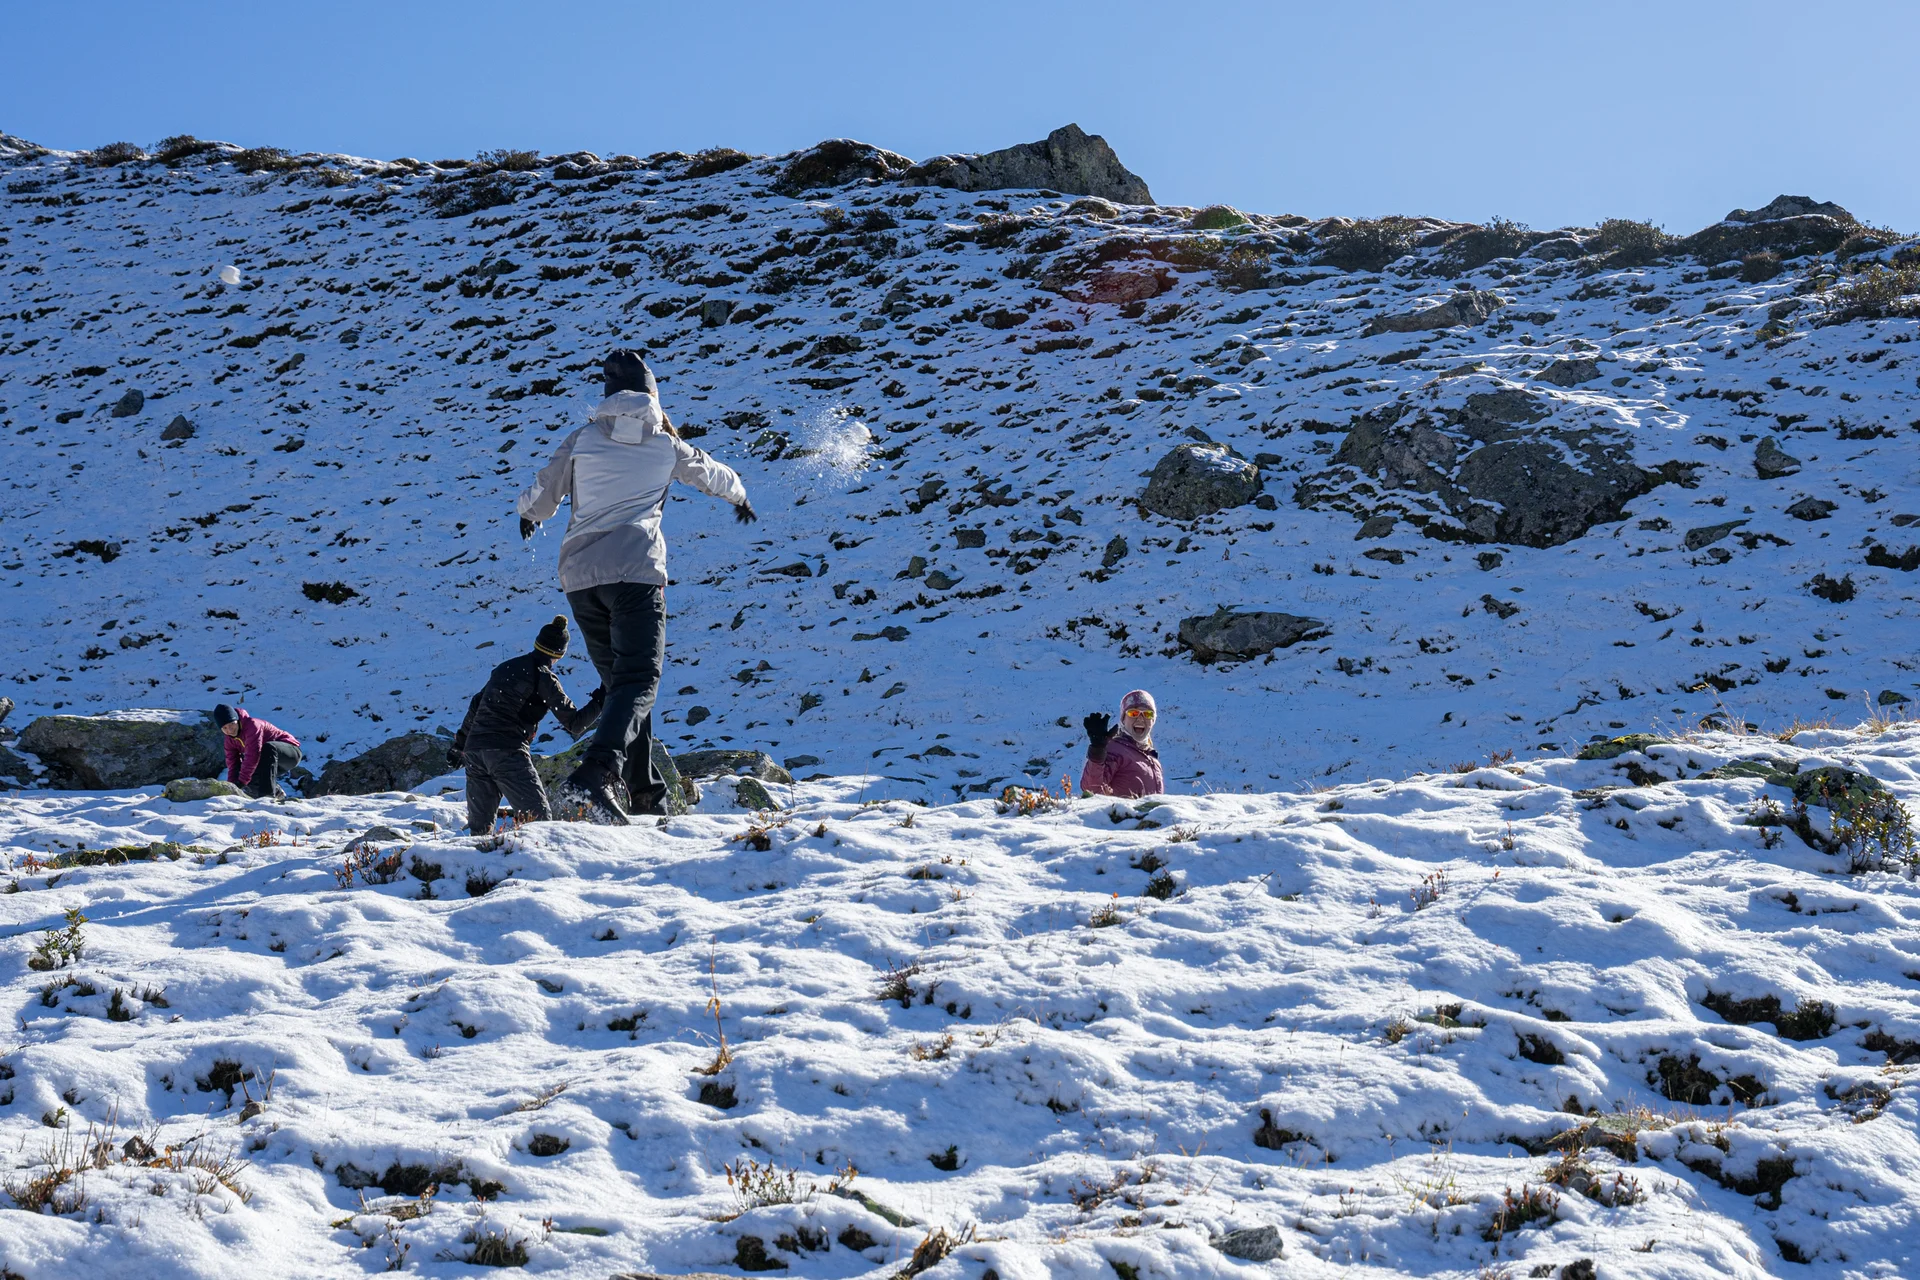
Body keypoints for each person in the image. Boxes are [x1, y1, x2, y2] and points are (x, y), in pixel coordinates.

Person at [516, 348, 755, 823]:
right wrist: (741, 497)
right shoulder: (666, 445)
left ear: (607, 395)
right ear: (652, 395)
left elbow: (542, 497)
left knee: (620, 687)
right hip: (635, 575)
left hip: (581, 580)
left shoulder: (582, 439)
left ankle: (646, 795)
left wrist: (528, 514)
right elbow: (713, 474)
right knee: (639, 680)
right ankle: (596, 772)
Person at [447, 615, 603, 836]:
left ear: (537, 643)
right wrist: (601, 699)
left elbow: (475, 704)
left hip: (475, 751)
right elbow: (575, 724)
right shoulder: (543, 677)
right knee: (539, 821)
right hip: (507, 751)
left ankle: (478, 858)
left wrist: (459, 745)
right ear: (560, 654)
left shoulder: (505, 668)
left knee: (479, 831)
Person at [1079, 689, 1164, 799]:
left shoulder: (1152, 758)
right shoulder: (1114, 750)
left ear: (1153, 720)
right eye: (1133, 713)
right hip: (1120, 810)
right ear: (1123, 719)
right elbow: (1091, 789)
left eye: (1148, 714)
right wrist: (1097, 750)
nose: (1140, 719)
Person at [214, 703, 302, 799]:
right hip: (269, 762)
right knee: (246, 774)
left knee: (267, 748)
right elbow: (233, 766)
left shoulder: (252, 725)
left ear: (237, 720)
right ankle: (277, 794)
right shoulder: (229, 741)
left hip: (290, 754)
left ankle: (267, 796)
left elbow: (253, 755)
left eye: (232, 724)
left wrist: (241, 782)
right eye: (225, 728)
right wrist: (231, 788)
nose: (230, 730)